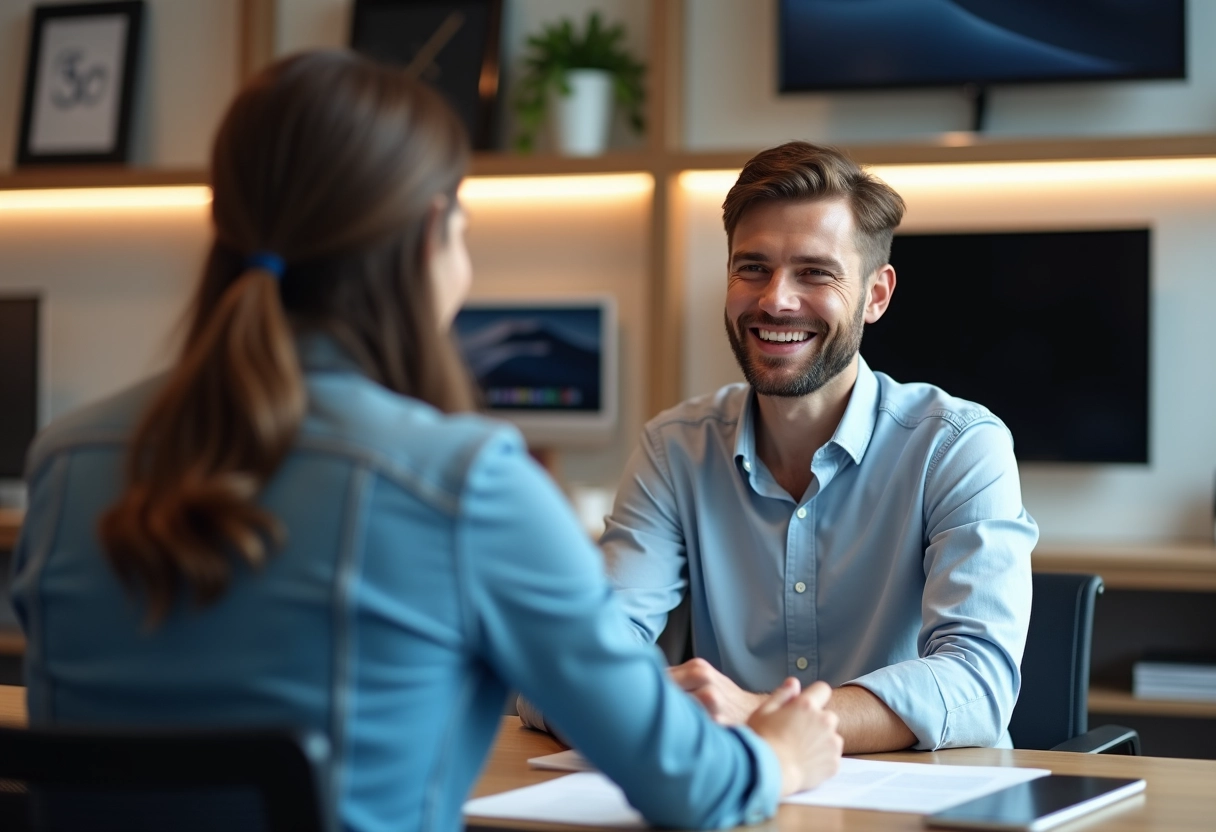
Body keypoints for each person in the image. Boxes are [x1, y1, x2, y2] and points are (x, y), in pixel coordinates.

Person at [9, 54, 843, 832]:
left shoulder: (65, 458)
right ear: (430, 235)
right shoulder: (466, 482)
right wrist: (779, 753)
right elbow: (686, 785)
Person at [522, 141, 1037, 754]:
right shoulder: (673, 451)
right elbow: (567, 667)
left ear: (876, 294)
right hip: (736, 801)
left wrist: (759, 715)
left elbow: (976, 684)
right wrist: (642, 700)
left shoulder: (959, 447)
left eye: (815, 272)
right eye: (753, 268)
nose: (775, 299)